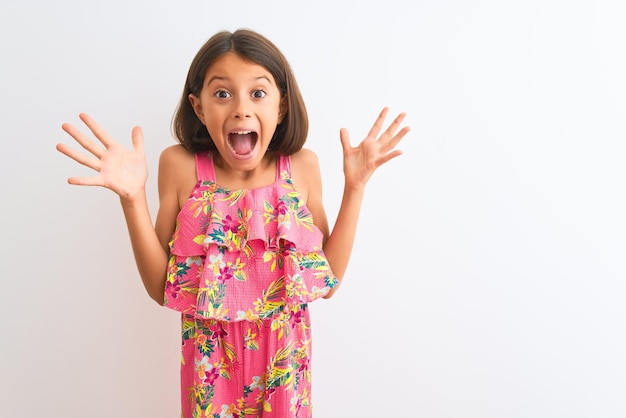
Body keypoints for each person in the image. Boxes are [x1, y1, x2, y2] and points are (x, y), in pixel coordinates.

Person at [56, 28, 409, 418]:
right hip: (209, 373)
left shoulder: (302, 167)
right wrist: (132, 199)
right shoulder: (179, 166)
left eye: (258, 93)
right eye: (222, 93)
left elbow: (327, 280)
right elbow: (161, 287)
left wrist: (355, 188)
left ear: (282, 106)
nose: (241, 108)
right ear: (198, 106)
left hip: (285, 370)